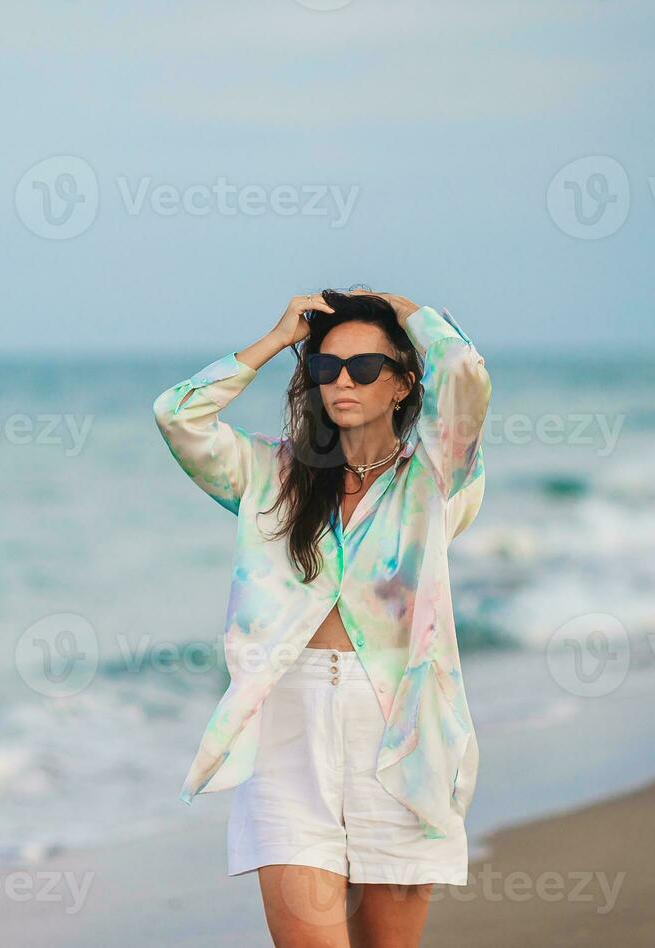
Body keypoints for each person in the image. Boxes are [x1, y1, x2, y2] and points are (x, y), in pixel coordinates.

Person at [151, 287, 492, 947]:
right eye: (325, 366)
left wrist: (398, 306)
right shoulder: (271, 473)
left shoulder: (437, 473)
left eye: (365, 368)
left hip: (402, 733)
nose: (342, 380)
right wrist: (277, 340)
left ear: (401, 382)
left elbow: (467, 375)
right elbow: (177, 416)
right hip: (286, 736)